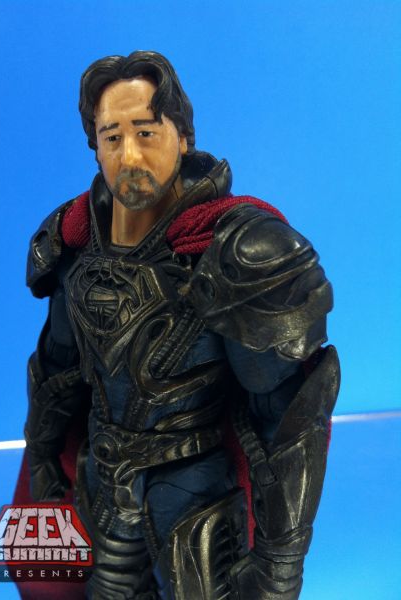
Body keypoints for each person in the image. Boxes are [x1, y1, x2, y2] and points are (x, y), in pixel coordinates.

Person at [24, 50, 340, 600]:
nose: (129, 154)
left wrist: (280, 564)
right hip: (101, 488)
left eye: (146, 132)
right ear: (94, 145)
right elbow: (58, 373)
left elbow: (287, 416)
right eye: (112, 136)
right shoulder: (74, 244)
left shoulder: (239, 250)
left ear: (183, 137)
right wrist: (45, 465)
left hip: (192, 497)